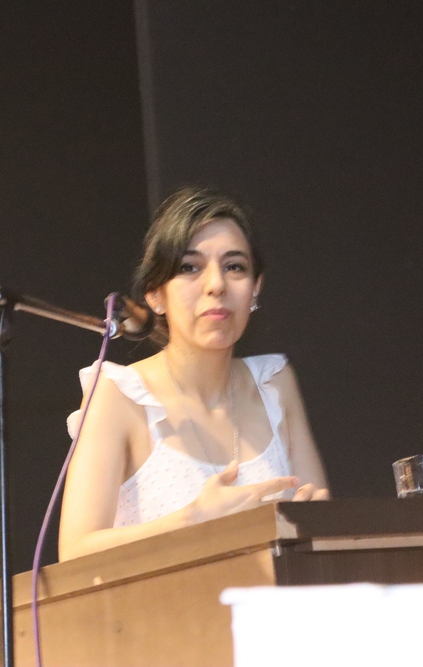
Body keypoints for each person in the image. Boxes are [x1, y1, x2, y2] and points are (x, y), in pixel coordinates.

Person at [58, 187, 329, 561]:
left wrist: (312, 519)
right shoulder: (119, 394)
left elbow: (322, 520)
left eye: (234, 267)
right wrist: (192, 521)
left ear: (255, 288)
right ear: (155, 294)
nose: (216, 285)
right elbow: (75, 552)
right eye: (190, 267)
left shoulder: (274, 383)